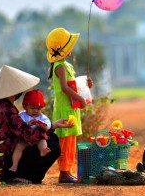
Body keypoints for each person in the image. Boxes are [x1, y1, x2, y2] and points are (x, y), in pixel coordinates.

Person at [0, 64, 73, 184]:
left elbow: (25, 130)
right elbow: (27, 134)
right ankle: (23, 176)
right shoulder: (6, 109)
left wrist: (53, 126)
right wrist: (50, 126)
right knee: (54, 147)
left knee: (52, 138)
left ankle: (31, 176)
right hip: (6, 163)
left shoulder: (5, 106)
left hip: (9, 156)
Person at [46, 27, 93, 183]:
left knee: (71, 141)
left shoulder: (67, 65)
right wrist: (80, 99)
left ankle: (68, 171)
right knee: (65, 141)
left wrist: (86, 87)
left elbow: (73, 85)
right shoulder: (59, 66)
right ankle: (64, 172)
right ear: (63, 49)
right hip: (65, 109)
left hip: (71, 108)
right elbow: (65, 88)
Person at [9, 89, 51, 172]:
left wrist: (44, 126)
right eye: (32, 108)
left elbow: (48, 124)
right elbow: (19, 125)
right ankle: (15, 164)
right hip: (25, 139)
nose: (35, 111)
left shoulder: (42, 117)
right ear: (25, 106)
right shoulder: (22, 115)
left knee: (42, 139)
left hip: (36, 139)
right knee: (19, 147)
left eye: (38, 109)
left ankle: (43, 150)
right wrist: (28, 124)